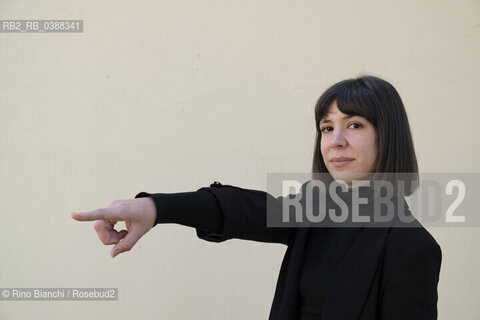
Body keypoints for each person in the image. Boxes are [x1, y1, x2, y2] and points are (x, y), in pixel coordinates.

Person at [71, 75, 442, 320]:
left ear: (387, 135)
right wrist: (155, 207)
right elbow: (244, 208)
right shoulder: (316, 208)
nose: (336, 141)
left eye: (354, 125)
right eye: (327, 128)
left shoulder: (412, 247)